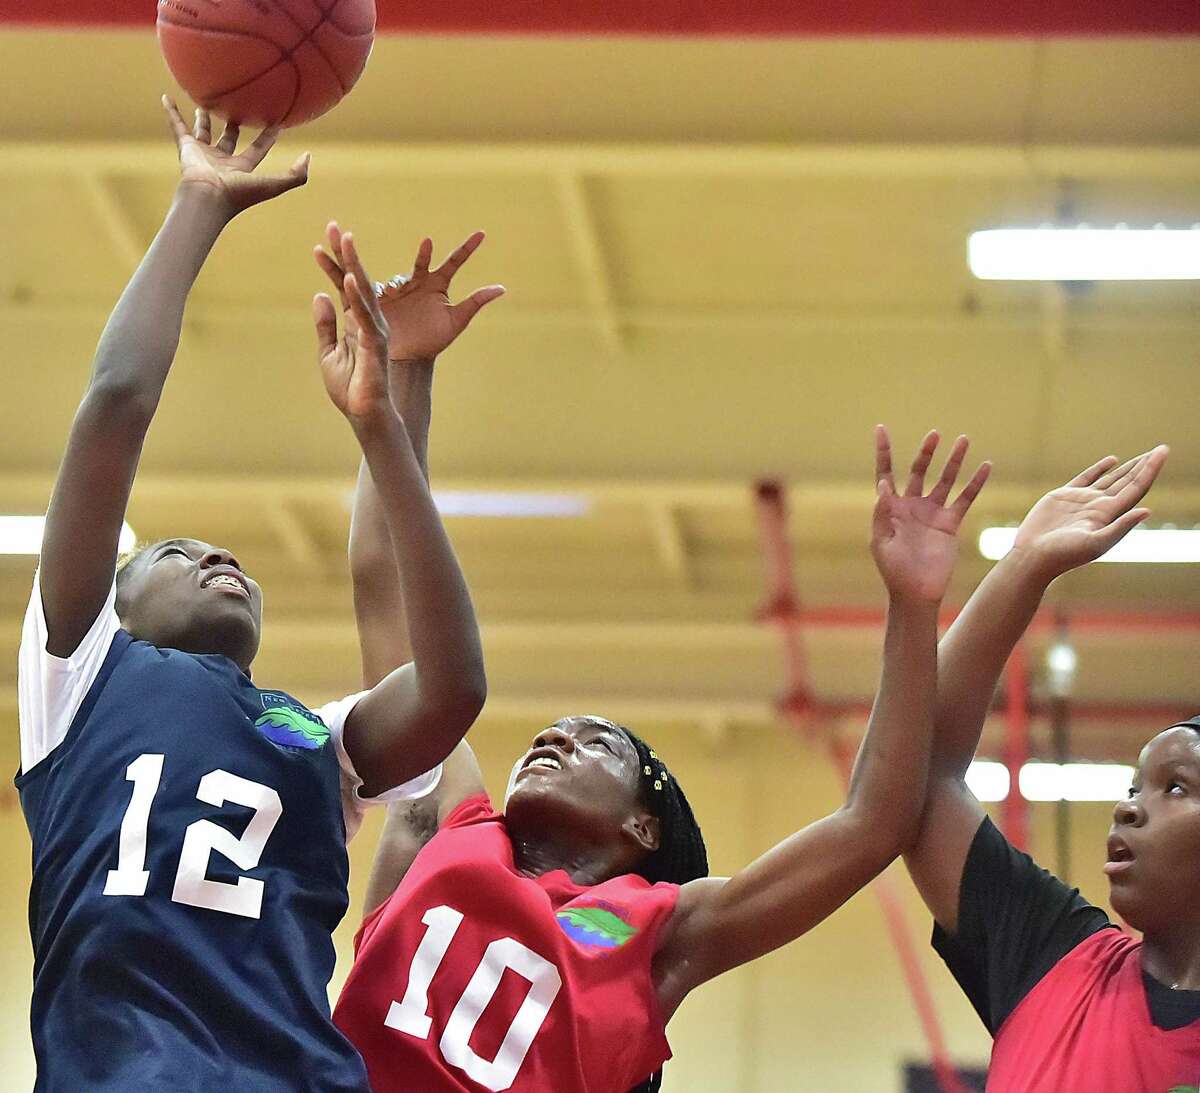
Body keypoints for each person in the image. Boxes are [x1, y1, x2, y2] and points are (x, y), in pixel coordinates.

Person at [16, 99, 496, 1092]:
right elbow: (116, 402)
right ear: (119, 599)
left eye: (226, 552)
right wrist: (199, 202)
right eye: (177, 551)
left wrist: (385, 423)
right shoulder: (79, 669)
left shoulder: (319, 739)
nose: (217, 556)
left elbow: (452, 689)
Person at [330, 413, 991, 1093]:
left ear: (643, 826)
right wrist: (397, 386)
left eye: (597, 742)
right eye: (555, 730)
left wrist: (913, 604)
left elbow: (872, 823)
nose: (554, 737)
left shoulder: (664, 935)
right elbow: (383, 583)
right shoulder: (442, 818)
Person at [902, 444, 1200, 1090]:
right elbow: (912, 779)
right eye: (1132, 784)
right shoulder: (1052, 954)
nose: (1128, 806)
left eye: (1176, 786)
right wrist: (1022, 569)